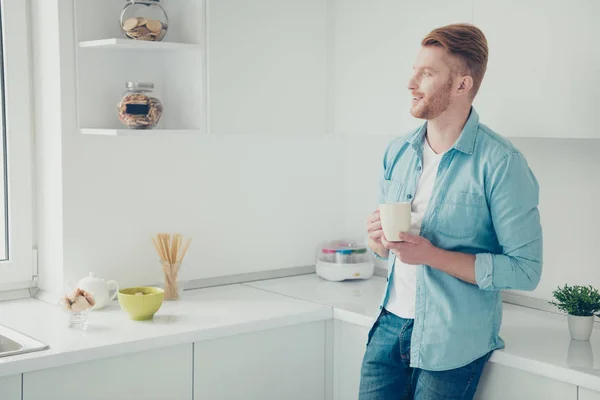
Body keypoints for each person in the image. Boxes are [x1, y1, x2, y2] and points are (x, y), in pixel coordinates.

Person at [359, 23, 543, 400]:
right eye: (414, 70)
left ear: (462, 85)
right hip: (389, 327)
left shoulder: (502, 163)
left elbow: (526, 270)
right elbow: (383, 252)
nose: (411, 83)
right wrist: (376, 240)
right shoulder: (397, 152)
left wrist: (433, 256)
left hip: (452, 340)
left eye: (426, 73)